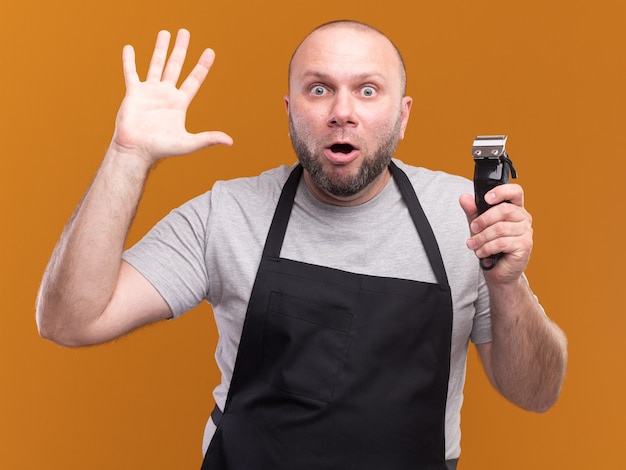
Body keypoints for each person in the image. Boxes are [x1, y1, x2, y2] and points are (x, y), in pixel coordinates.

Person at [36, 20, 567, 470]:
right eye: (319, 89)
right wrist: (128, 155)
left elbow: (536, 392)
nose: (342, 111)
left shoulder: (466, 218)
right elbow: (70, 320)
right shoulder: (229, 213)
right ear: (290, 109)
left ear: (402, 115)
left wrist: (508, 283)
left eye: (367, 90)